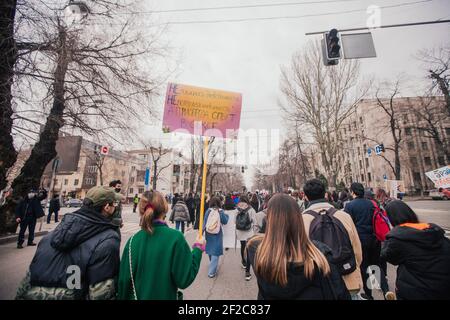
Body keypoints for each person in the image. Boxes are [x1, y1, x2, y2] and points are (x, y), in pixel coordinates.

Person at [15, 186, 122, 300]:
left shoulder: (49, 237)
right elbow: (101, 294)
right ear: (106, 207)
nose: (115, 208)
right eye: (114, 204)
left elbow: (25, 284)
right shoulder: (107, 241)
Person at [246, 193, 350, 300]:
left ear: (269, 220)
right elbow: (339, 293)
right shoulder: (320, 255)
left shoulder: (258, 253)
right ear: (298, 219)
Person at [118, 190, 205, 300]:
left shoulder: (132, 241)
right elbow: (184, 279)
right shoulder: (175, 238)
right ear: (164, 209)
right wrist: (198, 249)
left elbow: (123, 283)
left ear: (141, 210)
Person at [302, 179, 363, 300]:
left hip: (319, 285)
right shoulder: (344, 216)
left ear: (306, 197)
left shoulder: (301, 220)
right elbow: (357, 250)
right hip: (348, 278)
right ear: (325, 194)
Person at [381, 200, 450, 300]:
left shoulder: (397, 239)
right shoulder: (433, 231)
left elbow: (388, 256)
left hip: (416, 291)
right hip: (443, 288)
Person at [344, 182, 391, 300]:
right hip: (375, 239)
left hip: (360, 241)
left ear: (353, 192)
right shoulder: (372, 203)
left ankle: (369, 295)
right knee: (376, 265)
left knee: (364, 267)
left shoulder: (349, 206)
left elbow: (348, 225)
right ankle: (386, 291)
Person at [203, 196, 229, 278]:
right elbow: (225, 221)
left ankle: (212, 265)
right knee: (216, 252)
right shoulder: (220, 211)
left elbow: (204, 221)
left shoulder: (208, 211)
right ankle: (211, 272)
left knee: (210, 249)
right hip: (217, 233)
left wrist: (202, 232)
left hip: (208, 232)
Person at [235, 195, 257, 281]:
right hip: (249, 233)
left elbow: (234, 221)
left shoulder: (236, 209)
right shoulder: (251, 209)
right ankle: (247, 273)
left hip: (240, 232)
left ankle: (243, 262)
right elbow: (255, 222)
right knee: (248, 251)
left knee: (242, 246)